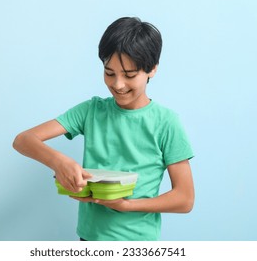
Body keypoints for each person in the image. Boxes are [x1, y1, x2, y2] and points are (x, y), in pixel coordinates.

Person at [13, 17, 195, 241]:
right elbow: (23, 140)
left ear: (152, 70)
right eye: (110, 73)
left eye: (129, 75)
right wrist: (59, 162)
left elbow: (185, 199)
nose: (118, 84)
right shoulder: (91, 111)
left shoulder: (167, 123)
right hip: (89, 239)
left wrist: (126, 206)